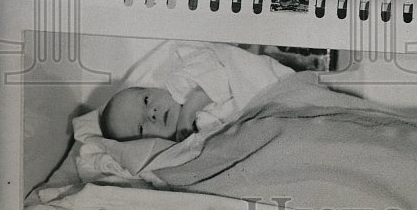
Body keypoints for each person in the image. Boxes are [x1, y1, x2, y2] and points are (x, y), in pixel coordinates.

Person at [99, 42, 293, 142]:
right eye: (141, 128)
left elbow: (220, 70)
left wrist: (190, 108)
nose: (151, 113)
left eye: (146, 100)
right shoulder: (177, 148)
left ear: (153, 88)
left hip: (280, 95)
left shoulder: (181, 83)